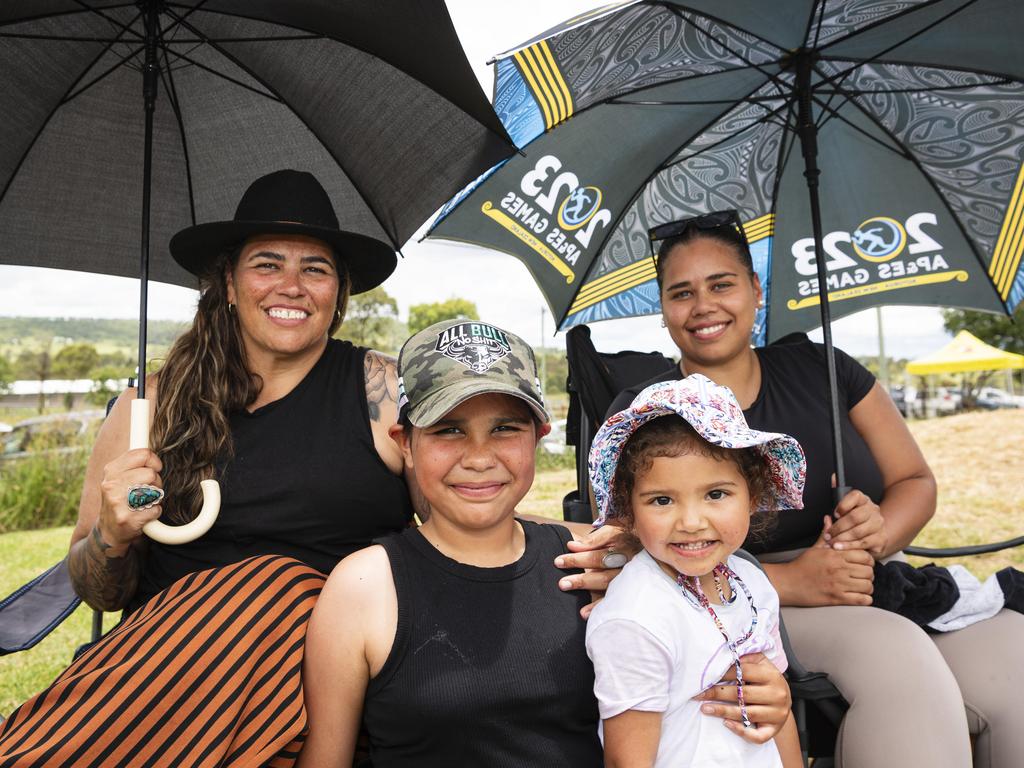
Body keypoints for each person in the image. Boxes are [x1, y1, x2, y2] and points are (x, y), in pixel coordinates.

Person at [0, 171, 615, 767]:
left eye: (314, 268)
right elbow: (95, 589)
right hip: (172, 682)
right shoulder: (148, 410)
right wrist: (111, 535)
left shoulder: (381, 392)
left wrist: (587, 545)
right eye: (268, 264)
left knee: (280, 588)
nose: (291, 285)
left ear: (338, 294)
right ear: (231, 283)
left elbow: (469, 502)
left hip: (332, 667)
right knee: (257, 591)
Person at [608, 210, 1024, 768]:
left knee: (1014, 656)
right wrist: (790, 580)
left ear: (755, 290)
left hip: (868, 576)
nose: (704, 305)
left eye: (722, 284)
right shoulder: (646, 413)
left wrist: (876, 534)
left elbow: (914, 481)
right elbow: (614, 542)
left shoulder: (823, 368)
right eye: (681, 292)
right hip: (736, 598)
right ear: (664, 310)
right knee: (898, 666)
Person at [297, 321, 795, 768]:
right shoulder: (365, 588)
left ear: (538, 435)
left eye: (504, 429)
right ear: (404, 442)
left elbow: (711, 648)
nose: (478, 457)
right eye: (449, 430)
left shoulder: (604, 563)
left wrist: (768, 694)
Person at [586, 376, 802, 768]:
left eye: (715, 494)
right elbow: (627, 761)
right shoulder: (637, 617)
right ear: (628, 510)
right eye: (662, 500)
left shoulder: (752, 582)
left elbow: (775, 710)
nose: (690, 521)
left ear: (752, 496)